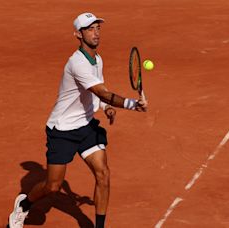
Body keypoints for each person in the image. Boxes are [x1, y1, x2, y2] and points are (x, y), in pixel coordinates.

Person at [8, 12, 148, 228]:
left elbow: (97, 91)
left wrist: (106, 107)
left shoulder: (97, 59)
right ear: (78, 34)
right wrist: (132, 104)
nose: (96, 32)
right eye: (90, 28)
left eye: (98, 28)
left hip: (86, 128)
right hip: (62, 129)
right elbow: (100, 91)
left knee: (103, 174)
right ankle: (24, 205)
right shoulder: (77, 63)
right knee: (52, 186)